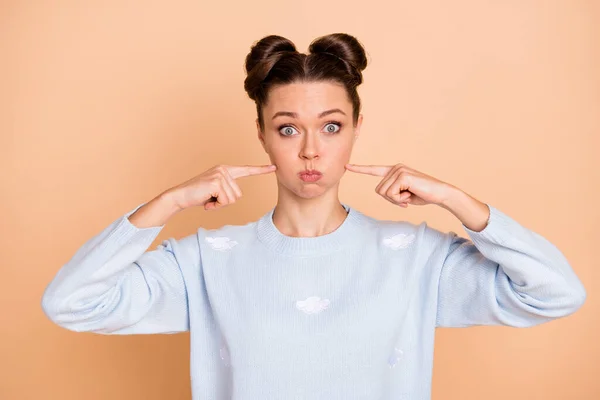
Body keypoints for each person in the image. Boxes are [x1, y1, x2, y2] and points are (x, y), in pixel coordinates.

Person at [41, 33, 587, 400]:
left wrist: (456, 200)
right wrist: (167, 203)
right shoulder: (205, 262)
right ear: (261, 134)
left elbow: (556, 293)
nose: (309, 150)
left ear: (355, 128)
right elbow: (70, 304)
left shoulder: (417, 257)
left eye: (330, 126)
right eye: (286, 128)